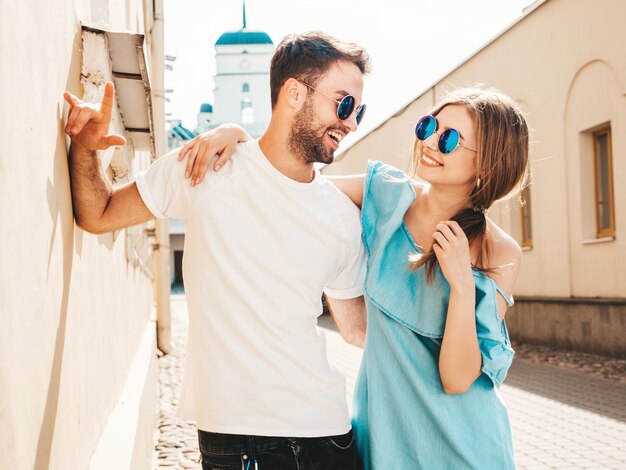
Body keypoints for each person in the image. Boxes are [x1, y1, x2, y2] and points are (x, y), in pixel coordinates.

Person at [63, 31, 373, 470]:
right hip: (242, 438)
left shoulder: (341, 217)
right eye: (344, 105)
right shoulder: (205, 166)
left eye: (360, 111)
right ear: (294, 93)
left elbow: (358, 331)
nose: (352, 123)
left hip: (330, 436)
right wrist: (85, 149)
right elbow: (100, 213)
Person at [183, 86, 529, 469]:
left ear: (488, 165)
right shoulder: (385, 195)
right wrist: (240, 138)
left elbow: (457, 379)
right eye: (428, 125)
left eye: (449, 139)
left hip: (465, 449)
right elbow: (293, 188)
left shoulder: (499, 252)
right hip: (385, 440)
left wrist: (462, 285)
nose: (430, 141)